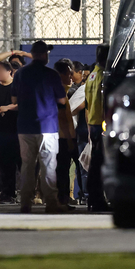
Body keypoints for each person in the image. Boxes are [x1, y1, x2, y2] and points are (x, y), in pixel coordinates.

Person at [11, 41, 70, 214]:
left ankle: (25, 203)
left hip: (24, 126)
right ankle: (51, 202)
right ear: (44, 55)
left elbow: (14, 100)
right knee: (48, 165)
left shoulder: (20, 74)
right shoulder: (51, 75)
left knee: (27, 165)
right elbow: (62, 100)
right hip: (47, 126)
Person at [0, 61, 20, 203]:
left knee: (18, 163)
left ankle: (18, 192)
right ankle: (4, 192)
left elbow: (24, 104)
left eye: (1, 71)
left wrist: (8, 108)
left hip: (15, 130)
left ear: (10, 72)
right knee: (2, 164)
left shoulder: (17, 87)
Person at [54, 58, 83, 207]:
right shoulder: (58, 94)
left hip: (66, 136)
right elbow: (62, 120)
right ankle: (62, 199)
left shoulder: (62, 93)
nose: (71, 77)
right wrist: (70, 139)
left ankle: (64, 198)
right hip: (62, 138)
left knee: (65, 169)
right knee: (63, 170)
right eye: (68, 74)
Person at [85, 44, 110, 212]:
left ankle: (93, 198)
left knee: (96, 163)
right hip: (102, 123)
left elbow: (88, 104)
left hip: (93, 123)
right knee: (99, 164)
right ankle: (97, 198)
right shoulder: (103, 77)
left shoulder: (92, 76)